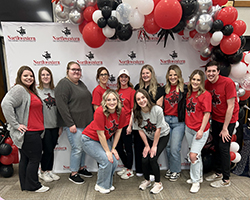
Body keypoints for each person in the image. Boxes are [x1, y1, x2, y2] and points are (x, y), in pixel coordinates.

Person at [1, 66, 49, 192]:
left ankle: (26, 185)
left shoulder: (29, 91)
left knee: (26, 159)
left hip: (34, 131)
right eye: (26, 76)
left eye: (31, 76)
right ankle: (34, 186)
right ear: (20, 77)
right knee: (35, 159)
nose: (29, 78)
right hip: (29, 132)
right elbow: (5, 104)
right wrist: (15, 124)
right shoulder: (19, 89)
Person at [55, 61, 93, 184]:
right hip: (74, 124)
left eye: (78, 70)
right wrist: (70, 124)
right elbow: (62, 106)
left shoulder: (80, 83)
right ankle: (73, 173)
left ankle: (81, 168)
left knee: (83, 147)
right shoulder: (64, 84)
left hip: (85, 123)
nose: (76, 72)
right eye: (73, 69)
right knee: (77, 148)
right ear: (68, 71)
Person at [81, 89, 126, 194]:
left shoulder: (121, 111)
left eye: (114, 99)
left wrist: (113, 149)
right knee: (106, 160)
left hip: (103, 140)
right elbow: (100, 134)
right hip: (89, 139)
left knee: (114, 161)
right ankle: (101, 185)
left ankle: (107, 184)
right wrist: (107, 151)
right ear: (104, 101)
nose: (111, 102)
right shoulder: (100, 111)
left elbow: (118, 131)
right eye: (108, 99)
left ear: (118, 100)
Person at [204, 61, 239, 188]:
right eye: (209, 71)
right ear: (206, 72)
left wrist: (225, 128)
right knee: (217, 147)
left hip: (228, 120)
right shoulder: (207, 83)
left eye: (214, 71)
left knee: (224, 148)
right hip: (217, 119)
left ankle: (226, 179)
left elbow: (231, 107)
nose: (211, 73)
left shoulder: (227, 83)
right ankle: (218, 172)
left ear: (218, 71)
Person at [133, 89, 170, 194]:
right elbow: (140, 130)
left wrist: (153, 146)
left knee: (152, 158)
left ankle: (158, 183)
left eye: (143, 97)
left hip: (162, 135)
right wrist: (146, 145)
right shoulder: (136, 113)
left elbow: (158, 129)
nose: (141, 101)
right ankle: (147, 180)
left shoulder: (157, 109)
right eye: (138, 99)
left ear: (147, 98)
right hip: (149, 137)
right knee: (144, 159)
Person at [134, 64, 165, 178]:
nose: (145, 75)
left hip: (152, 125)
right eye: (143, 73)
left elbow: (159, 107)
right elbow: (135, 106)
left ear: (152, 74)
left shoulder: (159, 89)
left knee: (151, 149)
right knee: (139, 146)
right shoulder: (137, 87)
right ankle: (140, 171)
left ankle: (152, 173)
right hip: (140, 122)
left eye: (147, 73)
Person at [185, 70, 212, 193]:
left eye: (198, 80)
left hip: (200, 130)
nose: (195, 82)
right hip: (188, 128)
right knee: (196, 154)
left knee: (193, 155)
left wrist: (201, 130)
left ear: (201, 82)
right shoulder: (189, 93)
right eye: (193, 79)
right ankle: (199, 176)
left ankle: (195, 181)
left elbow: (207, 114)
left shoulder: (206, 95)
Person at [164, 65, 187, 182]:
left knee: (174, 148)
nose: (172, 77)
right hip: (166, 121)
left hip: (178, 122)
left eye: (175, 75)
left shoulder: (185, 89)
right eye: (170, 75)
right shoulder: (164, 89)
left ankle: (176, 171)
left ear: (179, 76)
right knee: (167, 147)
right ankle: (171, 168)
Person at [37, 67, 60, 182]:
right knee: (47, 150)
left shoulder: (55, 91)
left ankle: (49, 171)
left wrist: (60, 126)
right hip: (43, 126)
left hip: (55, 125)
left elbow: (60, 110)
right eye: (43, 75)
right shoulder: (36, 91)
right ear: (40, 77)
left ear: (51, 77)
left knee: (52, 149)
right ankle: (42, 171)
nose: (45, 77)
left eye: (48, 74)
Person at [115, 69, 136, 179]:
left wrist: (130, 125)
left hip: (126, 123)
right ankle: (126, 166)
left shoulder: (132, 91)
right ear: (119, 79)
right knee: (118, 147)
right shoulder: (116, 91)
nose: (123, 79)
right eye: (121, 77)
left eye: (125, 77)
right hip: (117, 125)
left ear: (128, 79)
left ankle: (129, 169)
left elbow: (133, 109)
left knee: (128, 148)